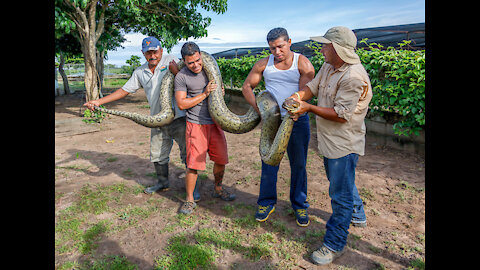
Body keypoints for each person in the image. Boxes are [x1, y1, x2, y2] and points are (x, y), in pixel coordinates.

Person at [286, 26, 373, 265]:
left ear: (337, 49)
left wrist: (308, 108)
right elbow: (312, 88)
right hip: (329, 141)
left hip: (344, 144)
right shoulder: (329, 67)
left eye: (325, 45)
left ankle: (334, 244)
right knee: (342, 182)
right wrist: (298, 97)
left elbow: (341, 114)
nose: (321, 49)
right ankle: (358, 215)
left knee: (339, 194)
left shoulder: (353, 77)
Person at [84, 36, 195, 196]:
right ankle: (163, 183)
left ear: (161, 50)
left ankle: (192, 187)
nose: (152, 56)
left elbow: (189, 79)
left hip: (179, 116)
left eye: (155, 52)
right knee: (157, 153)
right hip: (157, 119)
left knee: (187, 151)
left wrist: (176, 72)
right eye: (148, 53)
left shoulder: (171, 60)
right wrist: (99, 101)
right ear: (143, 54)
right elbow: (124, 91)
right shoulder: (140, 72)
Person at [241, 27, 315, 227]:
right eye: (272, 48)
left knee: (298, 164)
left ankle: (299, 205)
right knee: (269, 161)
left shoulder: (303, 63)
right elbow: (247, 87)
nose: (277, 52)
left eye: (280, 47)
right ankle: (266, 202)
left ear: (289, 42)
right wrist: (260, 110)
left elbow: (307, 90)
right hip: (273, 120)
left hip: (297, 121)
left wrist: (297, 103)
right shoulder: (264, 64)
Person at [173, 41, 236, 215]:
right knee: (193, 165)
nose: (195, 65)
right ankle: (189, 200)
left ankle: (218, 188)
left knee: (221, 160)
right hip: (196, 124)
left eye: (198, 60)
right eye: (190, 62)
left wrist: (219, 92)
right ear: (184, 61)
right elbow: (181, 103)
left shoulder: (210, 70)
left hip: (216, 122)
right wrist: (205, 93)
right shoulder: (181, 77)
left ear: (201, 55)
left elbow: (219, 91)